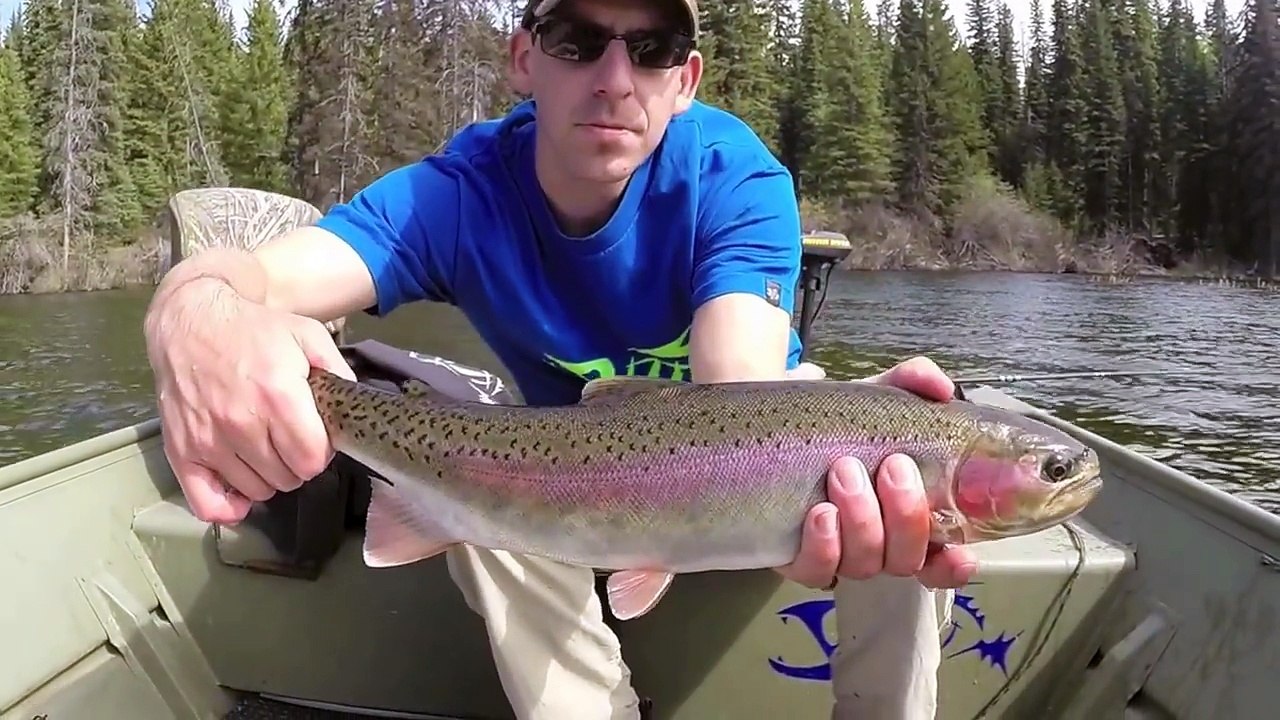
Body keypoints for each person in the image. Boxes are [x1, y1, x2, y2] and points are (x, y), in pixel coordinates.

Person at [142, 0, 978, 717]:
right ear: (524, 58)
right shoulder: (457, 193)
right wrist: (191, 309)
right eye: (579, 39)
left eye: (649, 50)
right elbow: (251, 278)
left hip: (755, 463)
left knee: (896, 476)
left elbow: (740, 394)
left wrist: (831, 461)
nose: (615, 77)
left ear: (683, 83)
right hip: (563, 474)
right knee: (486, 488)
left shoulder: (736, 178)